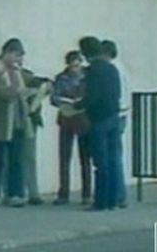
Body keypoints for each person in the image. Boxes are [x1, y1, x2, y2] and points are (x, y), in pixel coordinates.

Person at [0, 38, 47, 207]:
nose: (19, 60)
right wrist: (16, 92)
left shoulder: (19, 72)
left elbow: (31, 79)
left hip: (19, 119)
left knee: (16, 158)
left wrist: (42, 84)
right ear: (8, 53)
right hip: (1, 120)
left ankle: (15, 193)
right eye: (17, 56)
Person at [76, 37, 121, 211]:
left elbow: (92, 96)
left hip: (98, 119)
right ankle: (112, 200)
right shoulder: (112, 68)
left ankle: (100, 202)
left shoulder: (93, 71)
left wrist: (78, 105)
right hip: (113, 116)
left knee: (100, 163)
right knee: (111, 160)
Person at [51, 51, 92, 206]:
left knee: (85, 158)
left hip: (82, 119)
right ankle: (63, 192)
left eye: (78, 65)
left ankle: (87, 193)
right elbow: (54, 97)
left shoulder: (87, 78)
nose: (75, 68)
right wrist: (62, 101)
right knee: (64, 157)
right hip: (66, 117)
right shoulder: (61, 78)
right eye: (72, 65)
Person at [101, 39, 130, 209]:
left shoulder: (113, 70)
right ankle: (118, 194)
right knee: (115, 155)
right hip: (122, 114)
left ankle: (117, 194)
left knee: (112, 156)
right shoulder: (122, 68)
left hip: (114, 115)